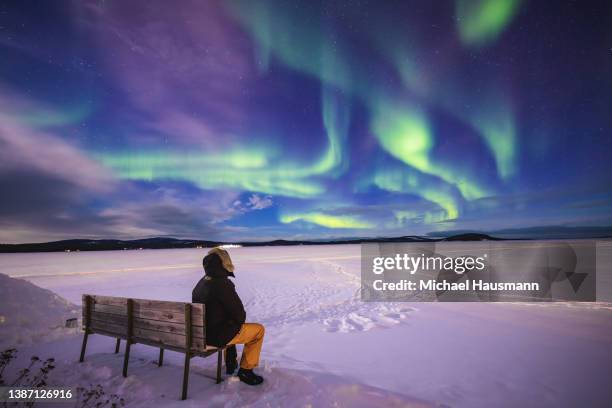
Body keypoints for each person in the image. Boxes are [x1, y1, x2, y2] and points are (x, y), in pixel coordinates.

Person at [192, 247, 265, 385]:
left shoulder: (201, 283)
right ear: (225, 263)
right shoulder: (222, 284)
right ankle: (246, 371)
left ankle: (231, 363)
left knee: (228, 324)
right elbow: (240, 315)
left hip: (200, 334)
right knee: (258, 330)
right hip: (216, 337)